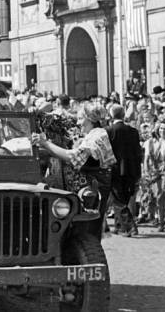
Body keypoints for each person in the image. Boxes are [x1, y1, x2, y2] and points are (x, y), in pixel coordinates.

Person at [32, 102, 116, 239]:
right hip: (96, 182)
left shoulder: (97, 136)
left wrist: (45, 143)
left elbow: (72, 157)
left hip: (96, 185)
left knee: (89, 231)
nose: (78, 122)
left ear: (89, 119)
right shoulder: (94, 133)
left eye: (81, 119)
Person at [106, 104, 143, 236]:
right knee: (124, 198)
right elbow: (138, 152)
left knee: (119, 199)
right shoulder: (133, 131)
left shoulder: (109, 131)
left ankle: (130, 226)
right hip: (131, 168)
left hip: (115, 169)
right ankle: (119, 225)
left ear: (111, 115)